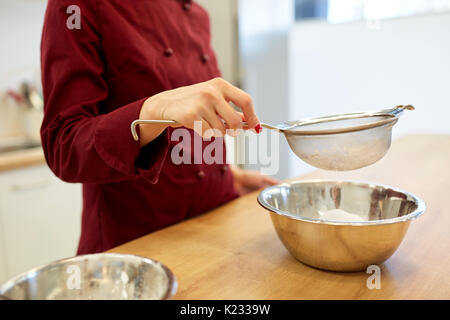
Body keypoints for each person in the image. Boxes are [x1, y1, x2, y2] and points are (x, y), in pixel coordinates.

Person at [40, 0, 278, 254]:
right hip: (135, 251)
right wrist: (154, 109)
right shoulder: (76, 7)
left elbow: (189, 127)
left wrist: (227, 177)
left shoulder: (196, 14)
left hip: (214, 233)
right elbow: (63, 145)